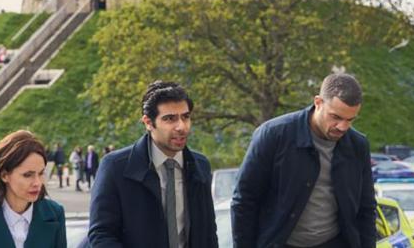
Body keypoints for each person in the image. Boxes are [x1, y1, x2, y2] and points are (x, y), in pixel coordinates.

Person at [231, 73, 376, 248]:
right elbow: (244, 201)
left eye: (350, 120)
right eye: (336, 117)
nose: (342, 127)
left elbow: (366, 208)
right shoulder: (273, 135)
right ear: (318, 102)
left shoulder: (358, 146)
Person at [88, 81, 218, 248]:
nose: (181, 127)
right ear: (148, 122)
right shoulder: (115, 167)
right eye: (170, 119)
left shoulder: (200, 166)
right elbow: (101, 234)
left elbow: (208, 234)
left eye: (185, 117)